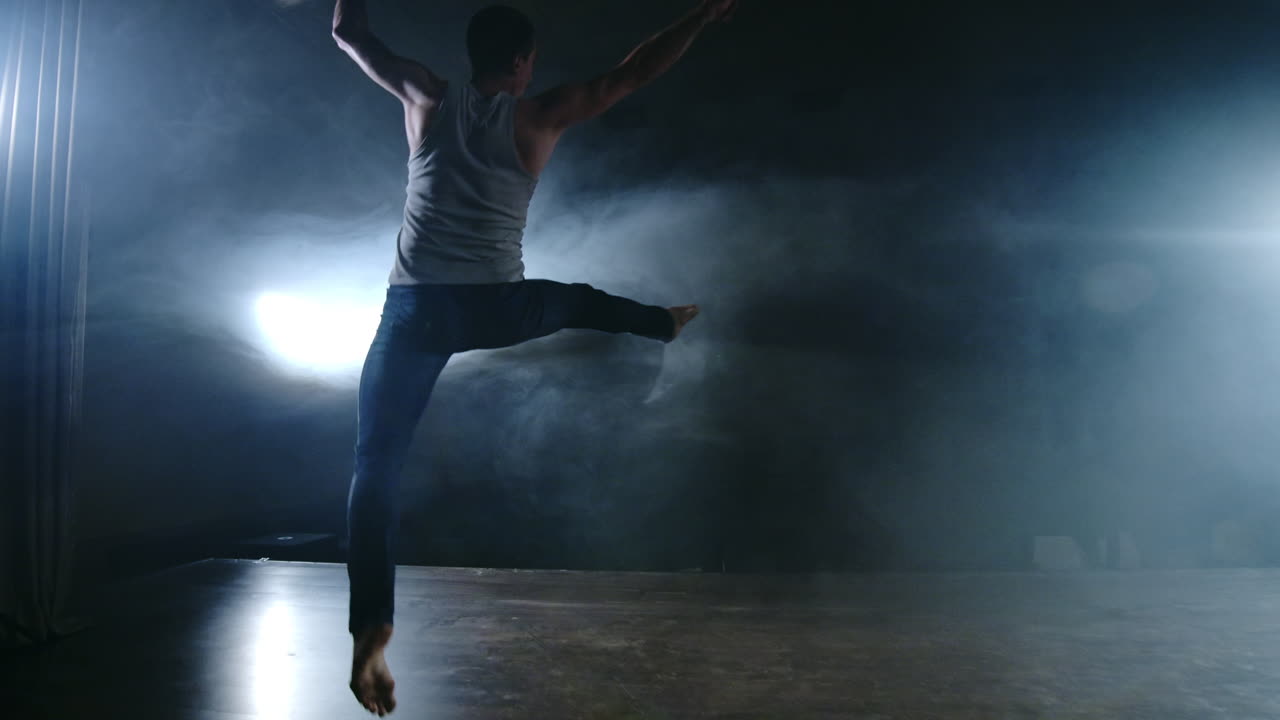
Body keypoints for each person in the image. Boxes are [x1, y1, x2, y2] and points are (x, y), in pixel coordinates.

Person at [331, 0, 738, 714]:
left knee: (375, 468)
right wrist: (701, 17)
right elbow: (634, 71)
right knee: (576, 300)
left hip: (414, 312)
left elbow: (347, 33)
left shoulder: (426, 96)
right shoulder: (539, 115)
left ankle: (370, 631)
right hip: (495, 307)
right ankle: (664, 325)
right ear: (521, 62)